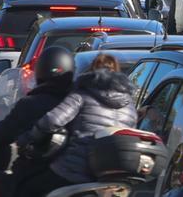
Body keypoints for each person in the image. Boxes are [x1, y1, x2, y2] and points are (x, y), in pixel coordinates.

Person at [0, 47, 76, 194]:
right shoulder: (77, 103)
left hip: (33, 179)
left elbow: (0, 134)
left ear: (40, 71)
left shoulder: (32, 104)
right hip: (68, 180)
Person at [18, 53, 138, 196]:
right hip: (111, 179)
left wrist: (29, 137)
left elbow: (52, 120)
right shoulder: (129, 105)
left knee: (26, 188)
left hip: (74, 171)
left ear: (93, 71)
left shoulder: (82, 94)